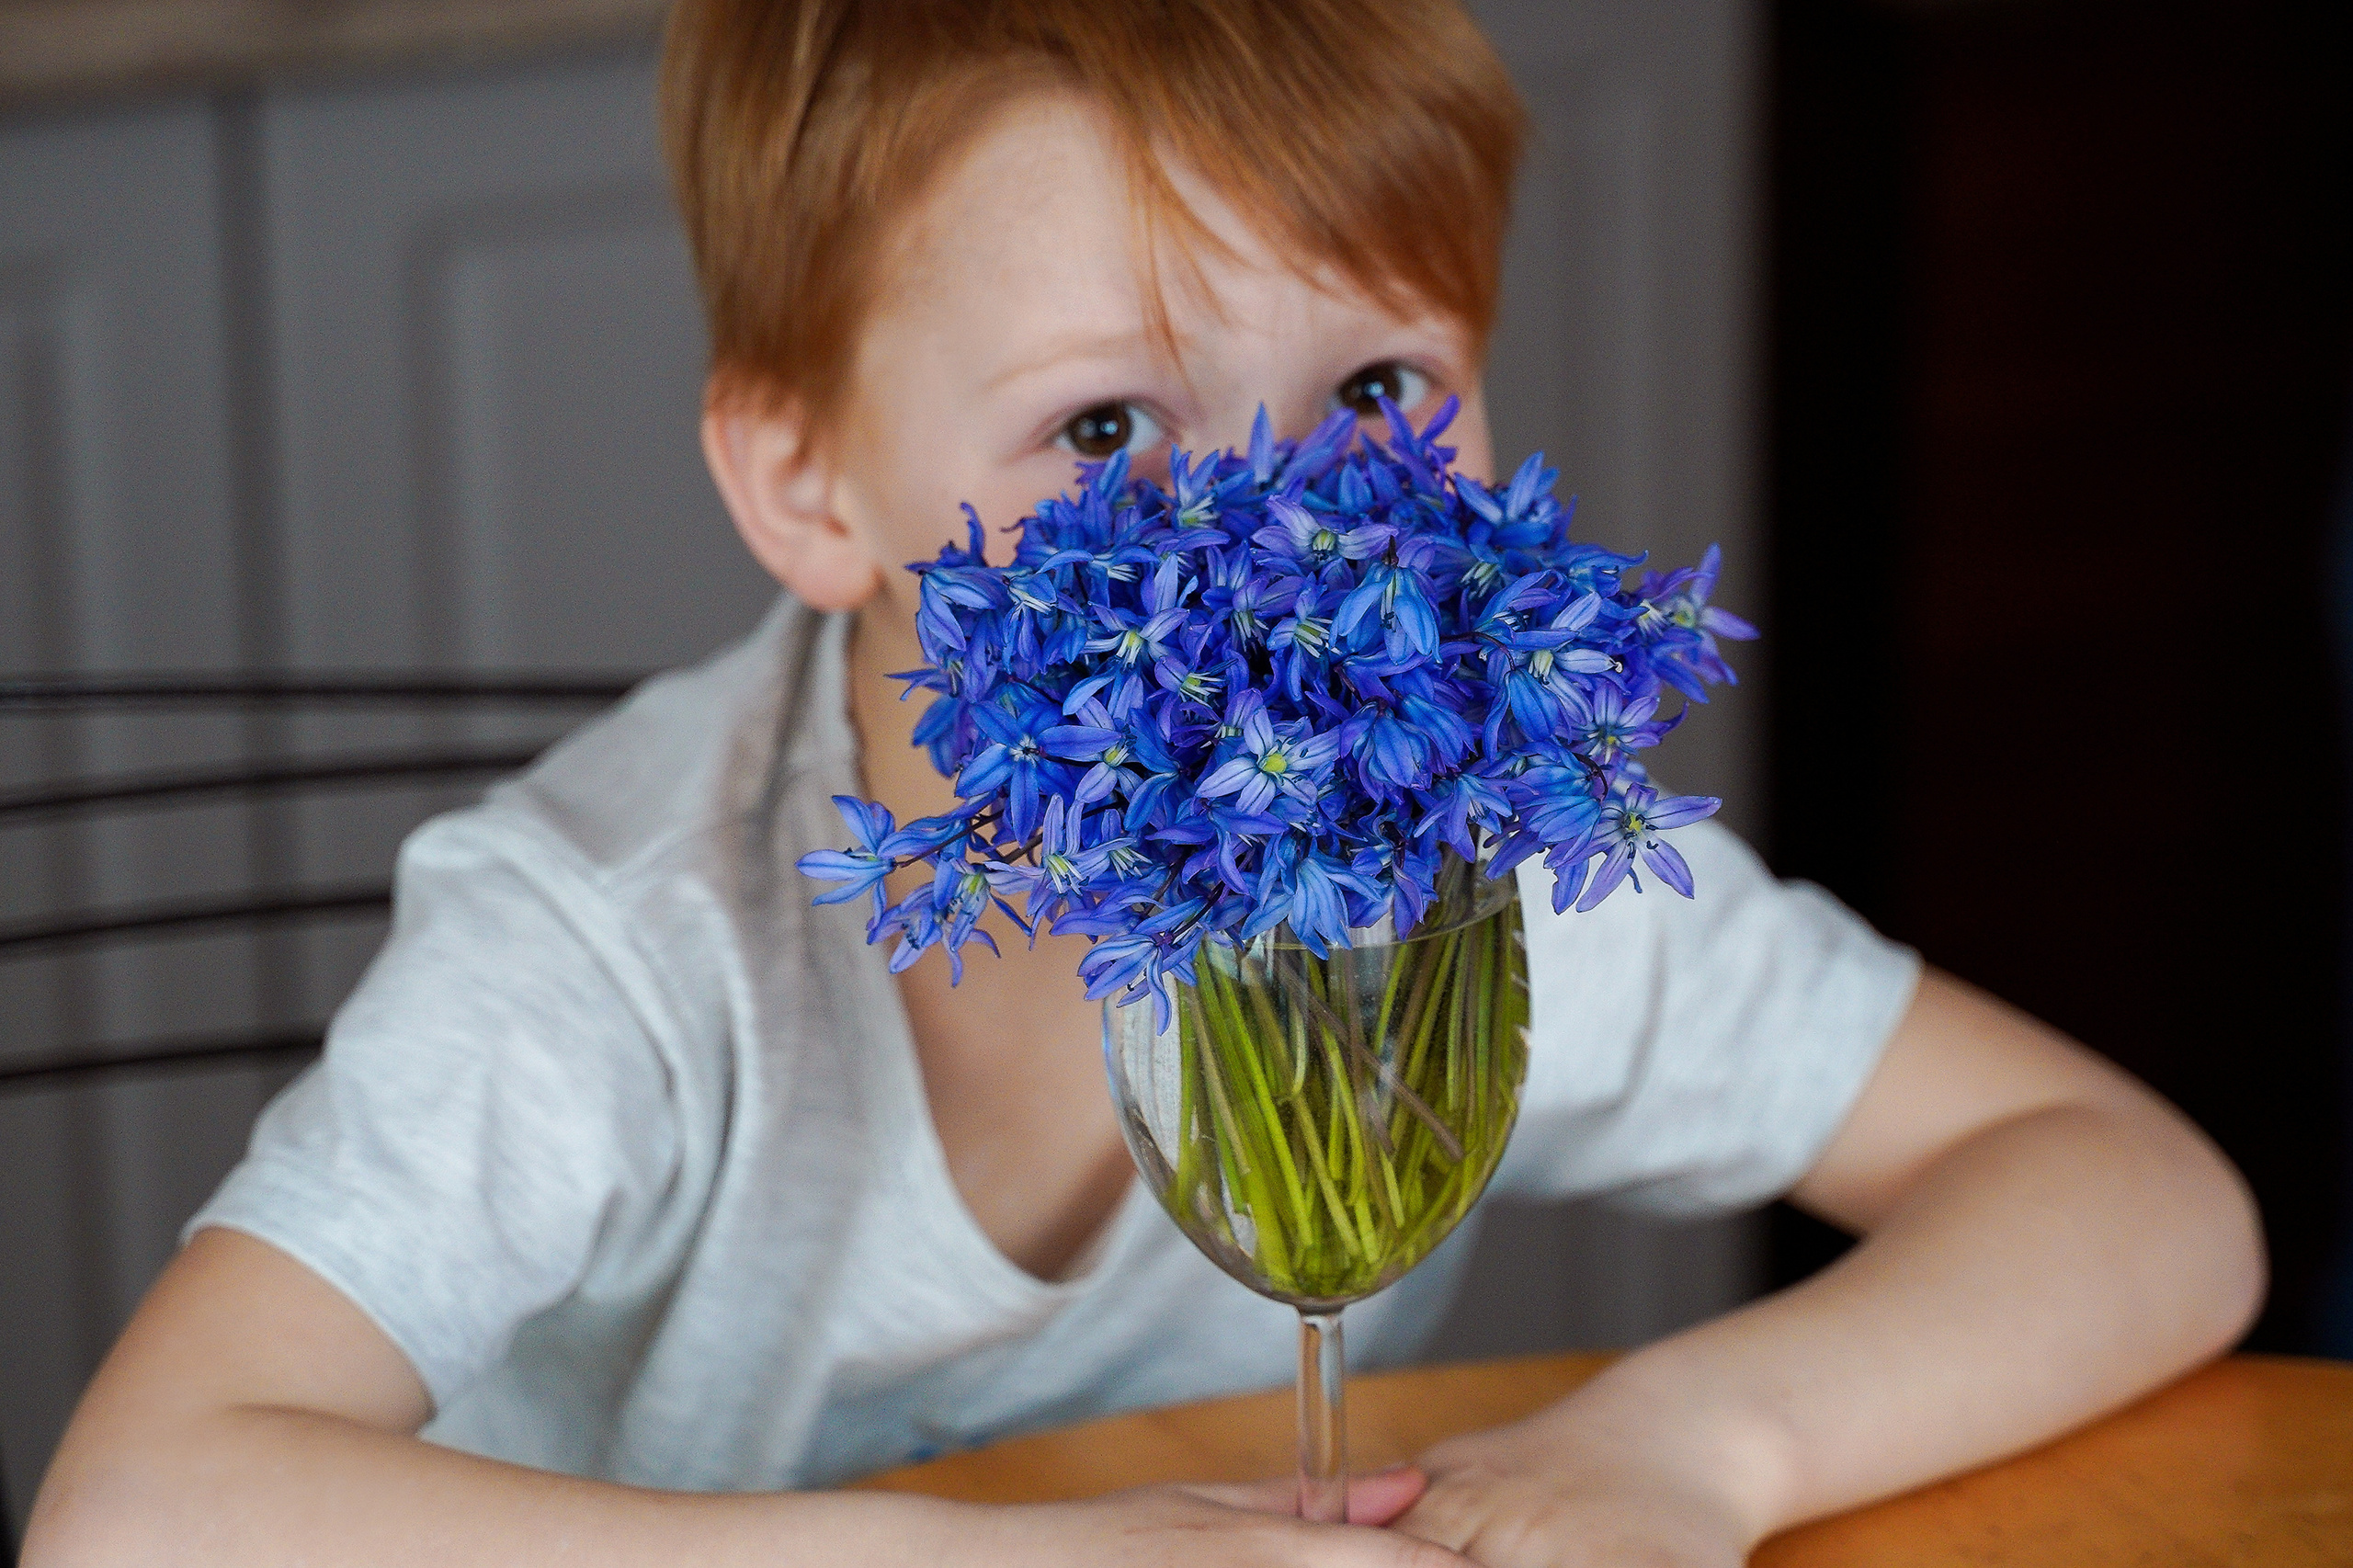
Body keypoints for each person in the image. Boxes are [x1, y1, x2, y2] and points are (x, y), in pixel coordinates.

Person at [24, 2, 2262, 1564]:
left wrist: (1691, 1434)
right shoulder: (617, 954)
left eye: (1379, 384)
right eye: (1106, 433)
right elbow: (141, 1516)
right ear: (806, 480)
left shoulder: (1457, 843)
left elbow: (2138, 1196)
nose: (1272, 544)